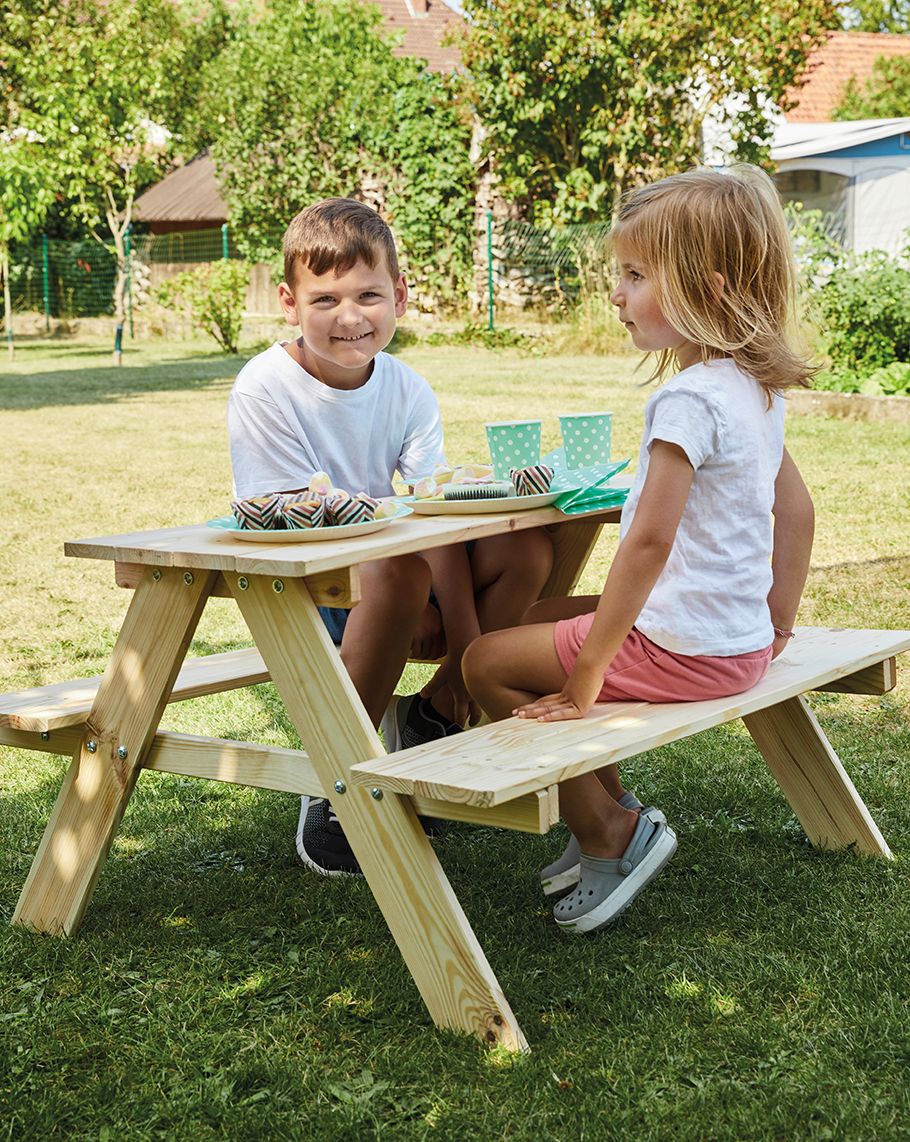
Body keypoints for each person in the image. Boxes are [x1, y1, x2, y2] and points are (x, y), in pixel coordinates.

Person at [463, 164, 818, 934]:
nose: (615, 295)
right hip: (739, 645)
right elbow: (798, 512)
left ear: (709, 290)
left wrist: (589, 675)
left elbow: (649, 541)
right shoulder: (757, 389)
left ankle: (607, 831)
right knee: (549, 609)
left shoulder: (687, 399)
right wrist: (776, 626)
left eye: (633, 275)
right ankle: (607, 799)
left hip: (683, 647)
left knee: (484, 662)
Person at [227, 197, 553, 877]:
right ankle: (341, 783)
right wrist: (432, 605)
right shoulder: (266, 386)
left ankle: (433, 713)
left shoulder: (407, 388)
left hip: (401, 573)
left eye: (369, 294)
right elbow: (290, 525)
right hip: (307, 588)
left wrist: (464, 639)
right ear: (289, 303)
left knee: (528, 547)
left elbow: (430, 511)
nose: (350, 316)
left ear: (399, 296)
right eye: (326, 299)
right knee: (397, 573)